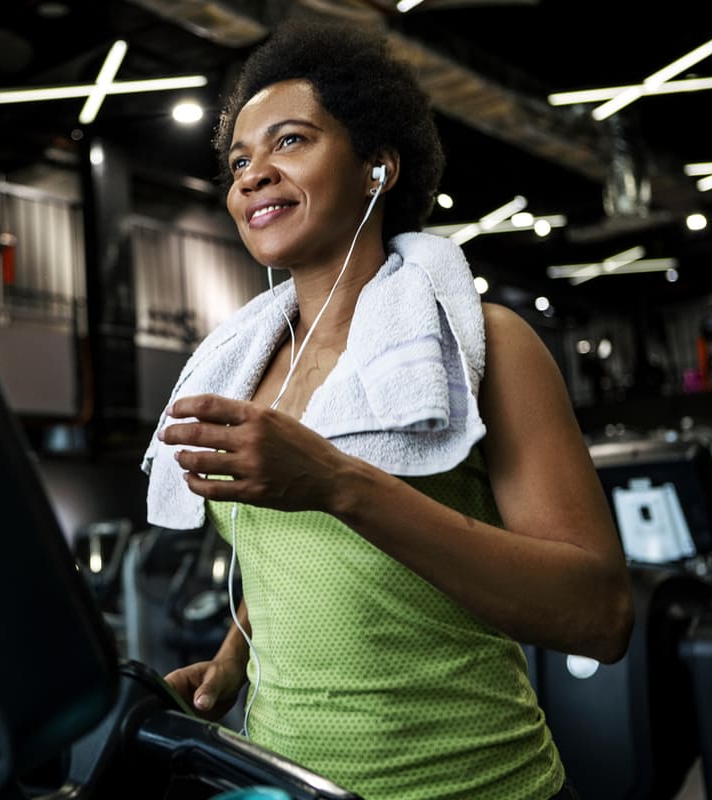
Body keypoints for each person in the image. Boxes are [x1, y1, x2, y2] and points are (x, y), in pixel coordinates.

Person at [139, 16, 634, 800]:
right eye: (240, 158)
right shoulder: (245, 368)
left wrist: (339, 484)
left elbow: (600, 615)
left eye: (290, 142)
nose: (252, 173)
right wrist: (237, 655)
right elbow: (310, 563)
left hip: (472, 785)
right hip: (285, 780)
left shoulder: (483, 347)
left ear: (377, 166)